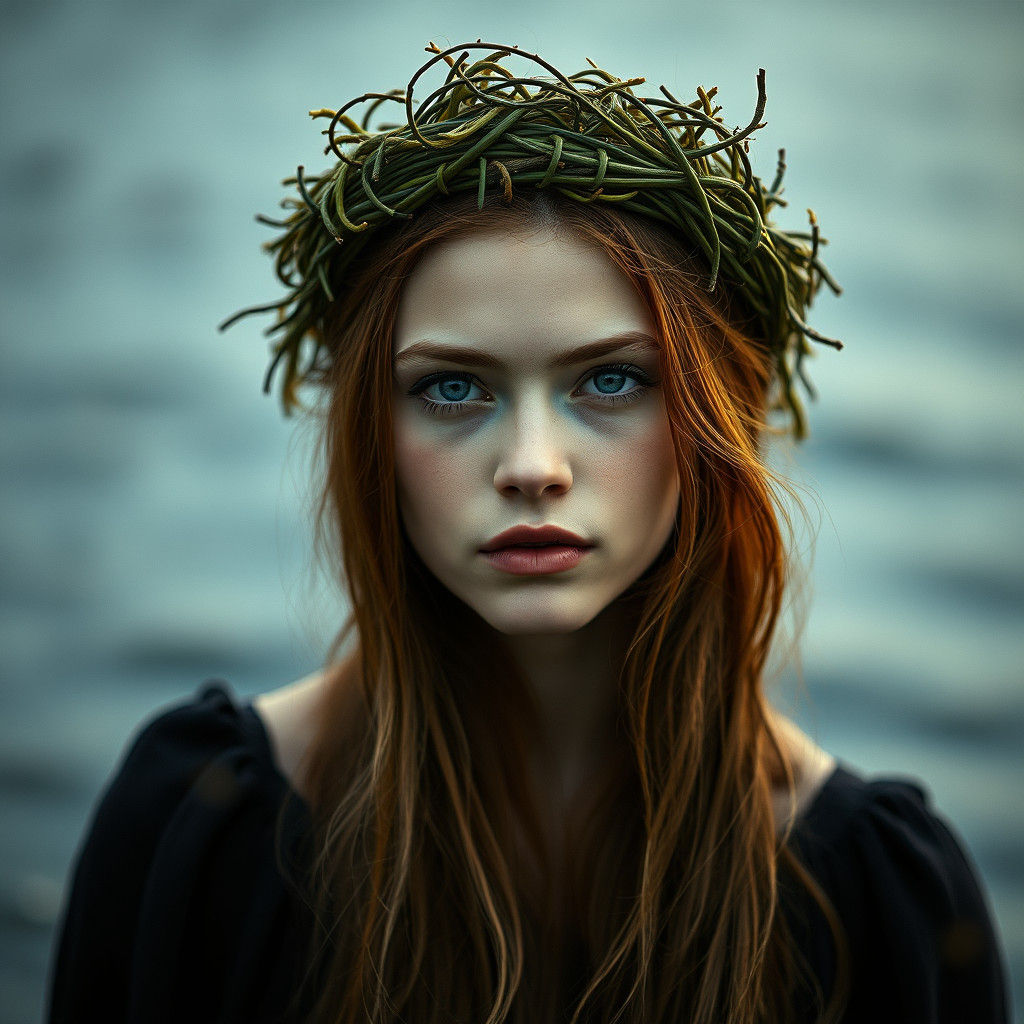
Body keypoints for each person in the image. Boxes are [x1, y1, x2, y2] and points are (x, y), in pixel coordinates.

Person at [47, 42, 1010, 1024]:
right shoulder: (199, 826)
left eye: (610, 379)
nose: (532, 464)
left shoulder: (882, 900)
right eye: (452, 388)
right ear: (368, 432)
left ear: (718, 415)